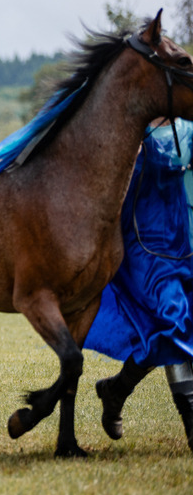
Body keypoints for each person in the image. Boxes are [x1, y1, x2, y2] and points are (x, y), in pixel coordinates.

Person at [86, 119, 193, 453]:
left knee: (175, 327)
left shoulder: (188, 127)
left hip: (182, 240)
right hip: (142, 248)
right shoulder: (128, 127)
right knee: (172, 318)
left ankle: (116, 390)